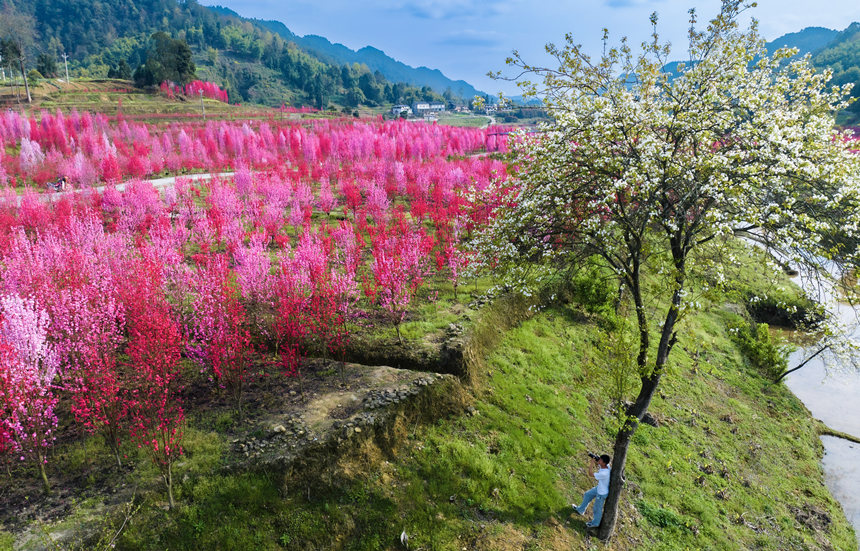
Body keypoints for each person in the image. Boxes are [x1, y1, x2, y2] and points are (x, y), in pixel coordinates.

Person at [573, 453, 611, 528]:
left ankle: (595, 523)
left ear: (604, 463)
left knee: (597, 508)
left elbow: (590, 474)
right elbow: (600, 464)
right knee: (587, 494)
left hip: (601, 493)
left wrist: (592, 463)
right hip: (599, 487)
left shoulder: (604, 473)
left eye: (600, 460)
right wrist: (596, 458)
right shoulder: (607, 466)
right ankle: (581, 510)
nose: (599, 461)